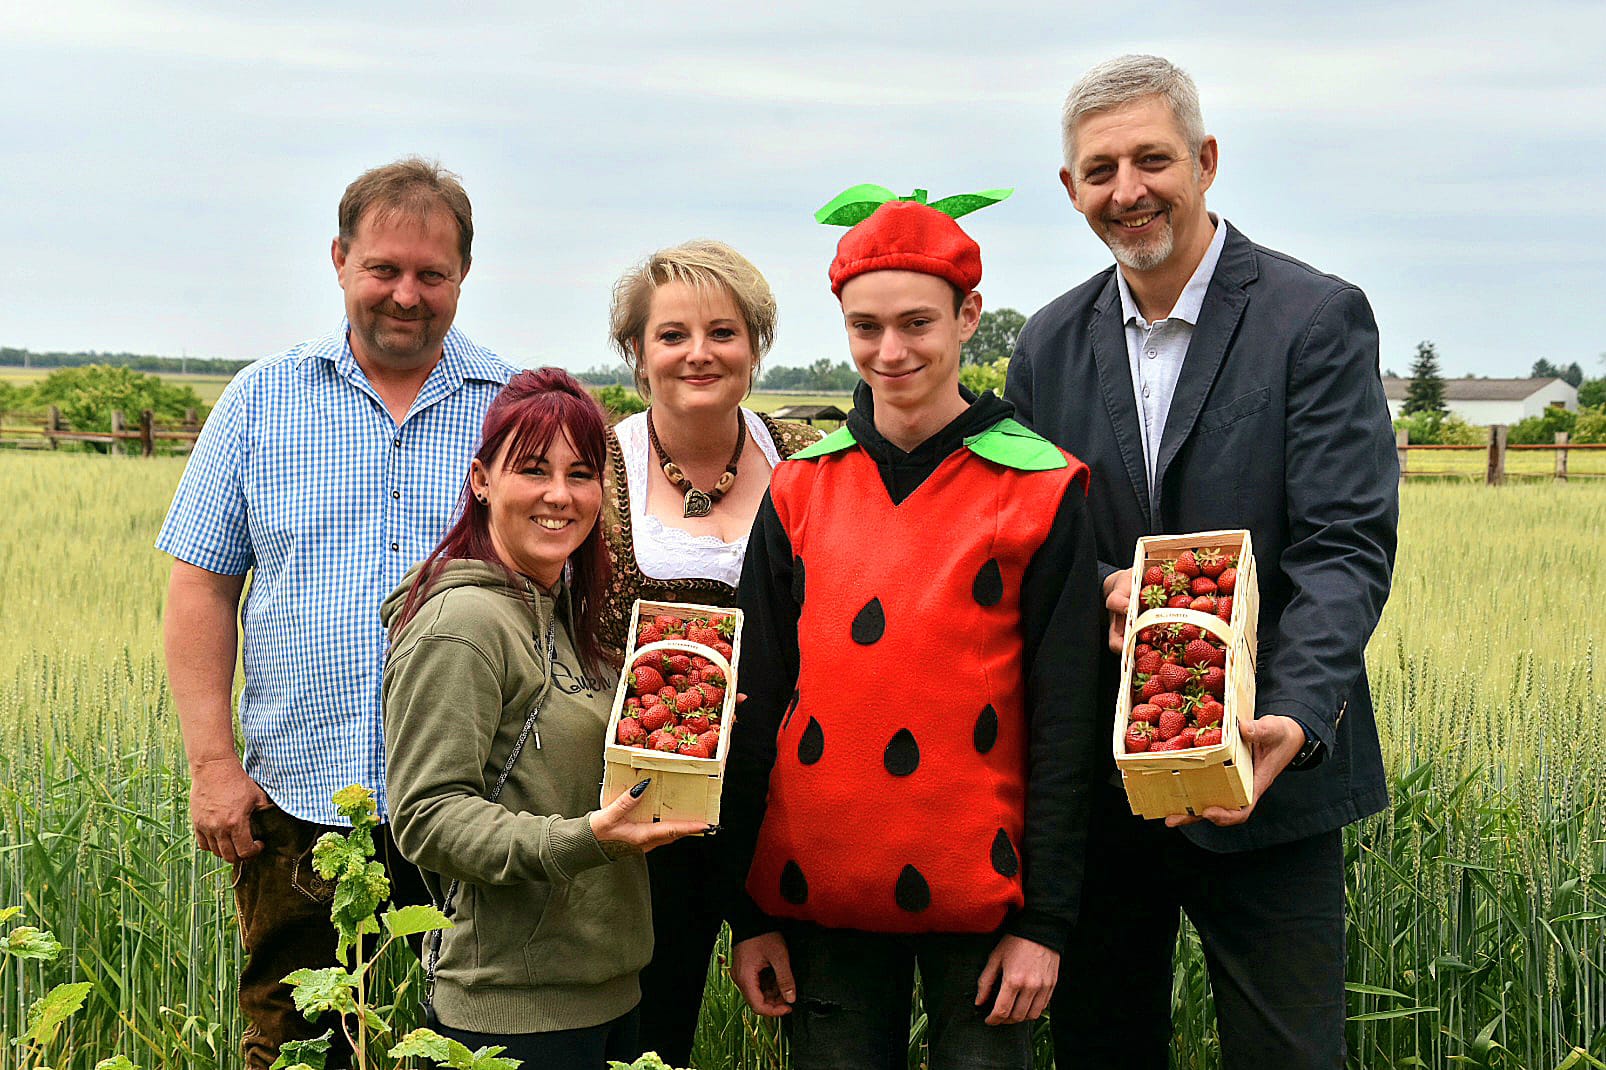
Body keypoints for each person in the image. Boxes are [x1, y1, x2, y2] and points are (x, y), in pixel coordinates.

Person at [1005, 55, 1399, 1069]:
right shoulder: (1046, 345)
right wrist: (1094, 586)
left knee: (1287, 1055)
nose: (1126, 191)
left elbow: (1343, 544)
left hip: (1268, 781)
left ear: (1205, 161)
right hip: (1106, 783)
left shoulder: (1311, 319)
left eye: (1151, 159)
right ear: (1069, 190)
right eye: (1099, 170)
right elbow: (1035, 546)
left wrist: (1296, 717)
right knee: (1103, 1045)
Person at [721, 188, 1105, 1070]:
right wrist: (751, 913)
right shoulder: (799, 490)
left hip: (989, 905)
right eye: (865, 327)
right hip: (819, 893)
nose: (889, 352)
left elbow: (1065, 720)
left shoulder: (1042, 490)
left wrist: (1046, 923)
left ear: (969, 316)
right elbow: (759, 700)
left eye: (917, 323)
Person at [155, 157, 516, 1069]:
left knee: (466, 1047)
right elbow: (201, 583)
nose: (407, 294)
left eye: (432, 275)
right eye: (384, 269)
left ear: (462, 277)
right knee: (297, 1046)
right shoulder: (262, 399)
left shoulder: (513, 410)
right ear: (339, 262)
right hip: (299, 803)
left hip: (473, 806)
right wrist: (212, 765)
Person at [382, 368, 706, 1066]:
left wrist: (687, 733)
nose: (561, 494)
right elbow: (427, 818)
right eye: (533, 469)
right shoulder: (462, 624)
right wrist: (586, 839)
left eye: (581, 473)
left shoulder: (559, 613)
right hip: (512, 1014)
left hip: (606, 992)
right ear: (480, 481)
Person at [598, 240, 819, 1065]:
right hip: (642, 811)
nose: (699, 353)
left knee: (823, 1022)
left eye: (724, 332)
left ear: (754, 347)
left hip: (792, 797)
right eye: (673, 335)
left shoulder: (809, 457)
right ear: (637, 354)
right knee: (649, 1041)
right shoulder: (592, 464)